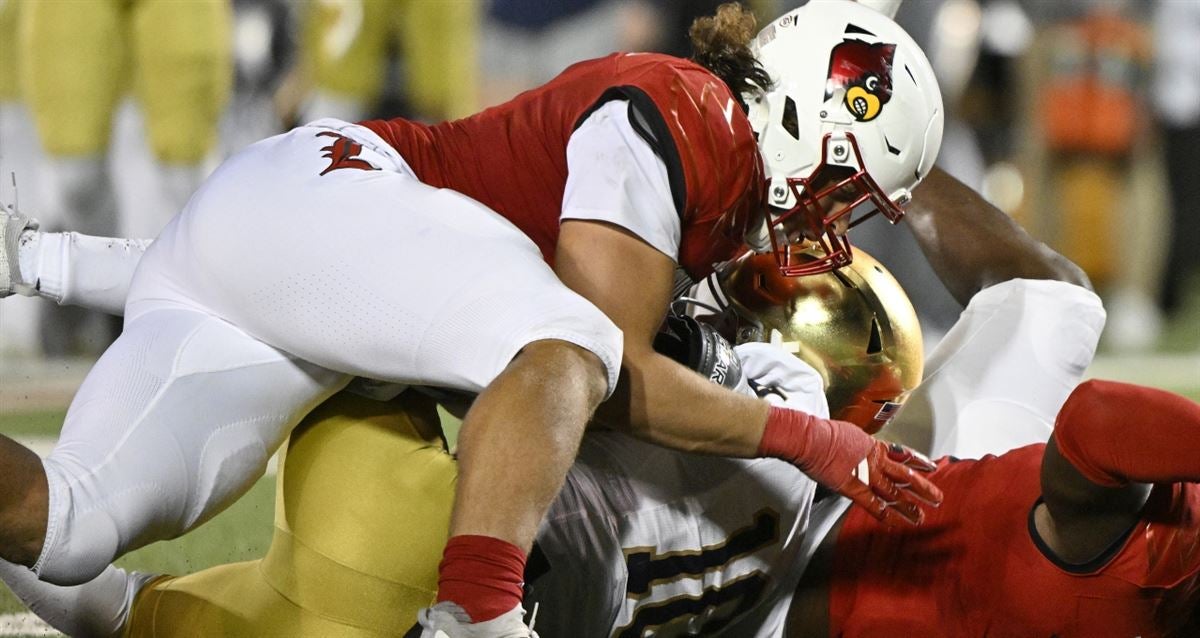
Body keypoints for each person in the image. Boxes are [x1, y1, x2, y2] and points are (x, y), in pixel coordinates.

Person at [0, 3, 946, 635]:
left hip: (273, 252)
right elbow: (600, 367)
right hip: (336, 188)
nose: (833, 220)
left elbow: (326, 277)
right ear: (815, 118)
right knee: (577, 348)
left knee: (68, 524)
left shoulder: (718, 176)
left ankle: (32, 253)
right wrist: (808, 440)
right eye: (845, 187)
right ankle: (480, 620)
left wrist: (54, 265)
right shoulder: (686, 112)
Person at [788, 379, 1200, 638]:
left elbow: (1095, 417)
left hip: (787, 593)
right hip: (844, 516)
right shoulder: (1153, 548)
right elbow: (1094, 415)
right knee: (1055, 296)